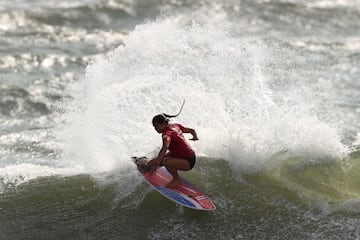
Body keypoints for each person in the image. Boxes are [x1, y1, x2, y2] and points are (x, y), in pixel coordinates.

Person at [147, 114, 198, 188]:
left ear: (164, 124)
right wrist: (195, 137)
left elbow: (165, 148)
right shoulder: (176, 126)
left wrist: (156, 164)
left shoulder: (167, 134)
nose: (155, 129)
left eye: (157, 126)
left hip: (188, 160)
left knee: (166, 161)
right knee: (150, 164)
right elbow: (192, 130)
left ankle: (176, 179)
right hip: (177, 154)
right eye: (154, 126)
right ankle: (157, 166)